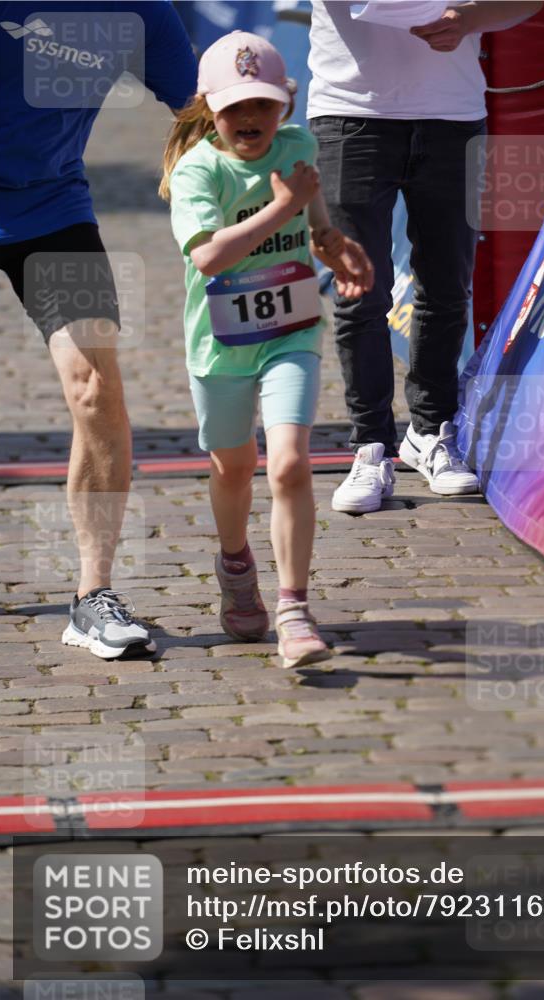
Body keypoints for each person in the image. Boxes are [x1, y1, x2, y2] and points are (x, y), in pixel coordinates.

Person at [160, 30, 374, 668]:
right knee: (232, 467)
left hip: (291, 331)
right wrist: (281, 208)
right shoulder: (200, 168)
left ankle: (294, 608)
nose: (249, 120)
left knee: (287, 464)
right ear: (208, 108)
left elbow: (313, 224)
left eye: (262, 105)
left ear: (286, 102)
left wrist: (336, 246)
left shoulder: (298, 145)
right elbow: (207, 256)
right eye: (234, 109)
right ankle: (234, 564)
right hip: (221, 343)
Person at [0, 2, 198, 657]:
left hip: (52, 209)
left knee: (95, 389)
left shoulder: (139, 10)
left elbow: (198, 111)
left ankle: (93, 598)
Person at [308, 0, 544, 514]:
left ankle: (432, 431)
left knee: (446, 286)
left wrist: (471, 20)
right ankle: (370, 446)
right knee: (358, 290)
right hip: (352, 112)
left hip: (452, 114)